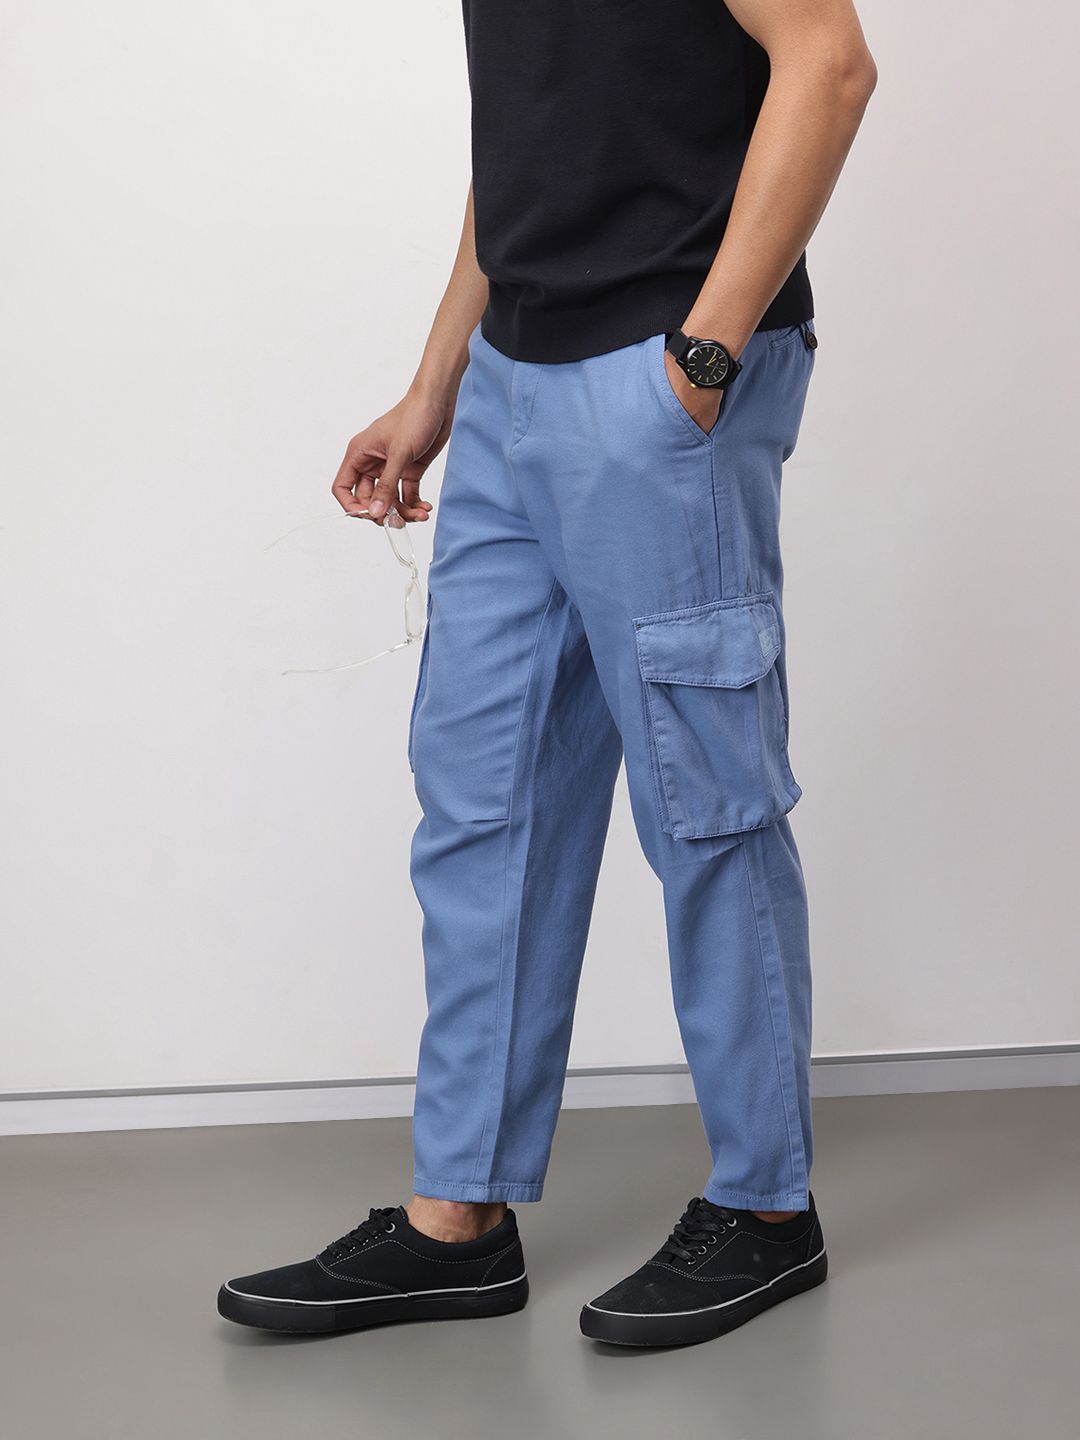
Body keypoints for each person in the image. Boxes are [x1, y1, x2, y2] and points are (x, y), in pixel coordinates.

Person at [218, 0, 876, 1347]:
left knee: (706, 802)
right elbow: (528, 148)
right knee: (483, 802)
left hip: (661, 374)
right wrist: (436, 386)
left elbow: (830, 63)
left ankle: (766, 1209)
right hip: (512, 381)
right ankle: (457, 1219)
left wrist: (704, 354)